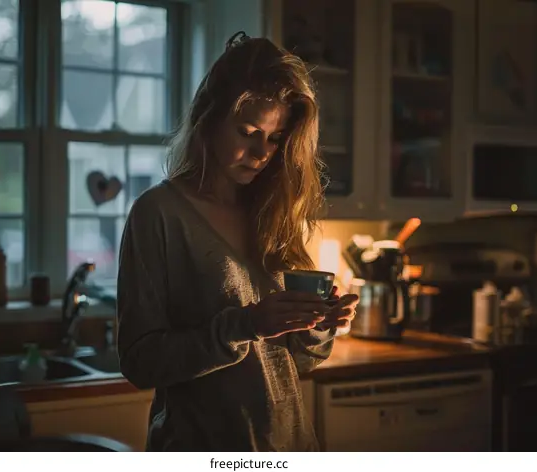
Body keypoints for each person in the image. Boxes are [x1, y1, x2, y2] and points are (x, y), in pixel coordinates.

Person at [116, 31, 358, 452]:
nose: (261, 153)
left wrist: (318, 325)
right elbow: (141, 361)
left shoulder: (276, 210)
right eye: (248, 132)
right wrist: (245, 325)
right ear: (209, 119)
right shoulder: (158, 213)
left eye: (275, 138)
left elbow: (297, 362)